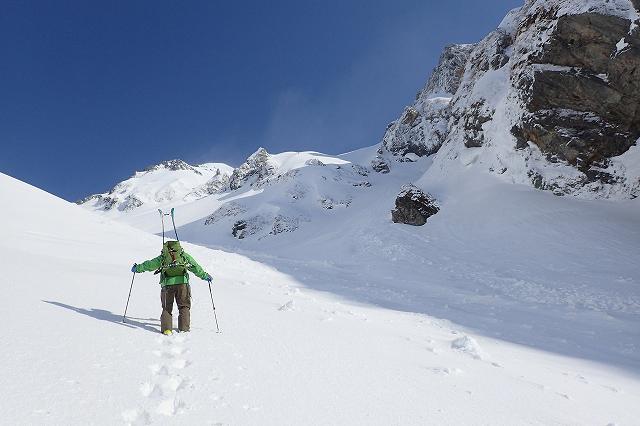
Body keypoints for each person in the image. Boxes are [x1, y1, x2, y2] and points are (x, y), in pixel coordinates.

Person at [132, 240, 212, 335]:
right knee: (184, 306)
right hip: (183, 283)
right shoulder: (183, 256)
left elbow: (150, 265)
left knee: (167, 307)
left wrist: (138, 268)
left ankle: (167, 329)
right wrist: (204, 276)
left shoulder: (163, 257)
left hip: (167, 284)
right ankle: (184, 329)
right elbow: (195, 267)